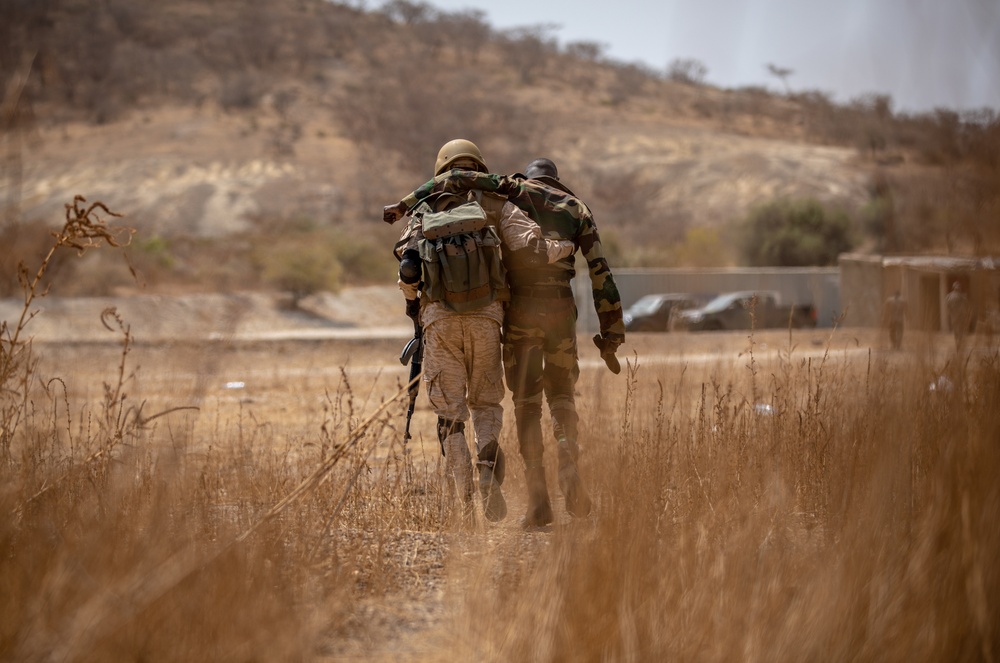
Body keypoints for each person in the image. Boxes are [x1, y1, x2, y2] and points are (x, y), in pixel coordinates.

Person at [386, 158, 625, 528]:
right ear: (557, 179)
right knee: (558, 394)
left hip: (516, 313)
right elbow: (600, 273)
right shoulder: (577, 210)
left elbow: (452, 181)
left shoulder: (512, 192)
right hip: (557, 311)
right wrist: (612, 335)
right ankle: (567, 457)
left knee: (525, 406)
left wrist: (403, 205)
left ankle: (537, 502)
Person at [945, 281, 972, 350]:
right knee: (960, 331)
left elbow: (947, 307)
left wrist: (950, 313)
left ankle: (957, 343)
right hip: (960, 317)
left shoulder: (949, 296)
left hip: (953, 317)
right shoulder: (962, 297)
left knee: (956, 331)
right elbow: (967, 305)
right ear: (958, 288)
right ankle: (959, 344)